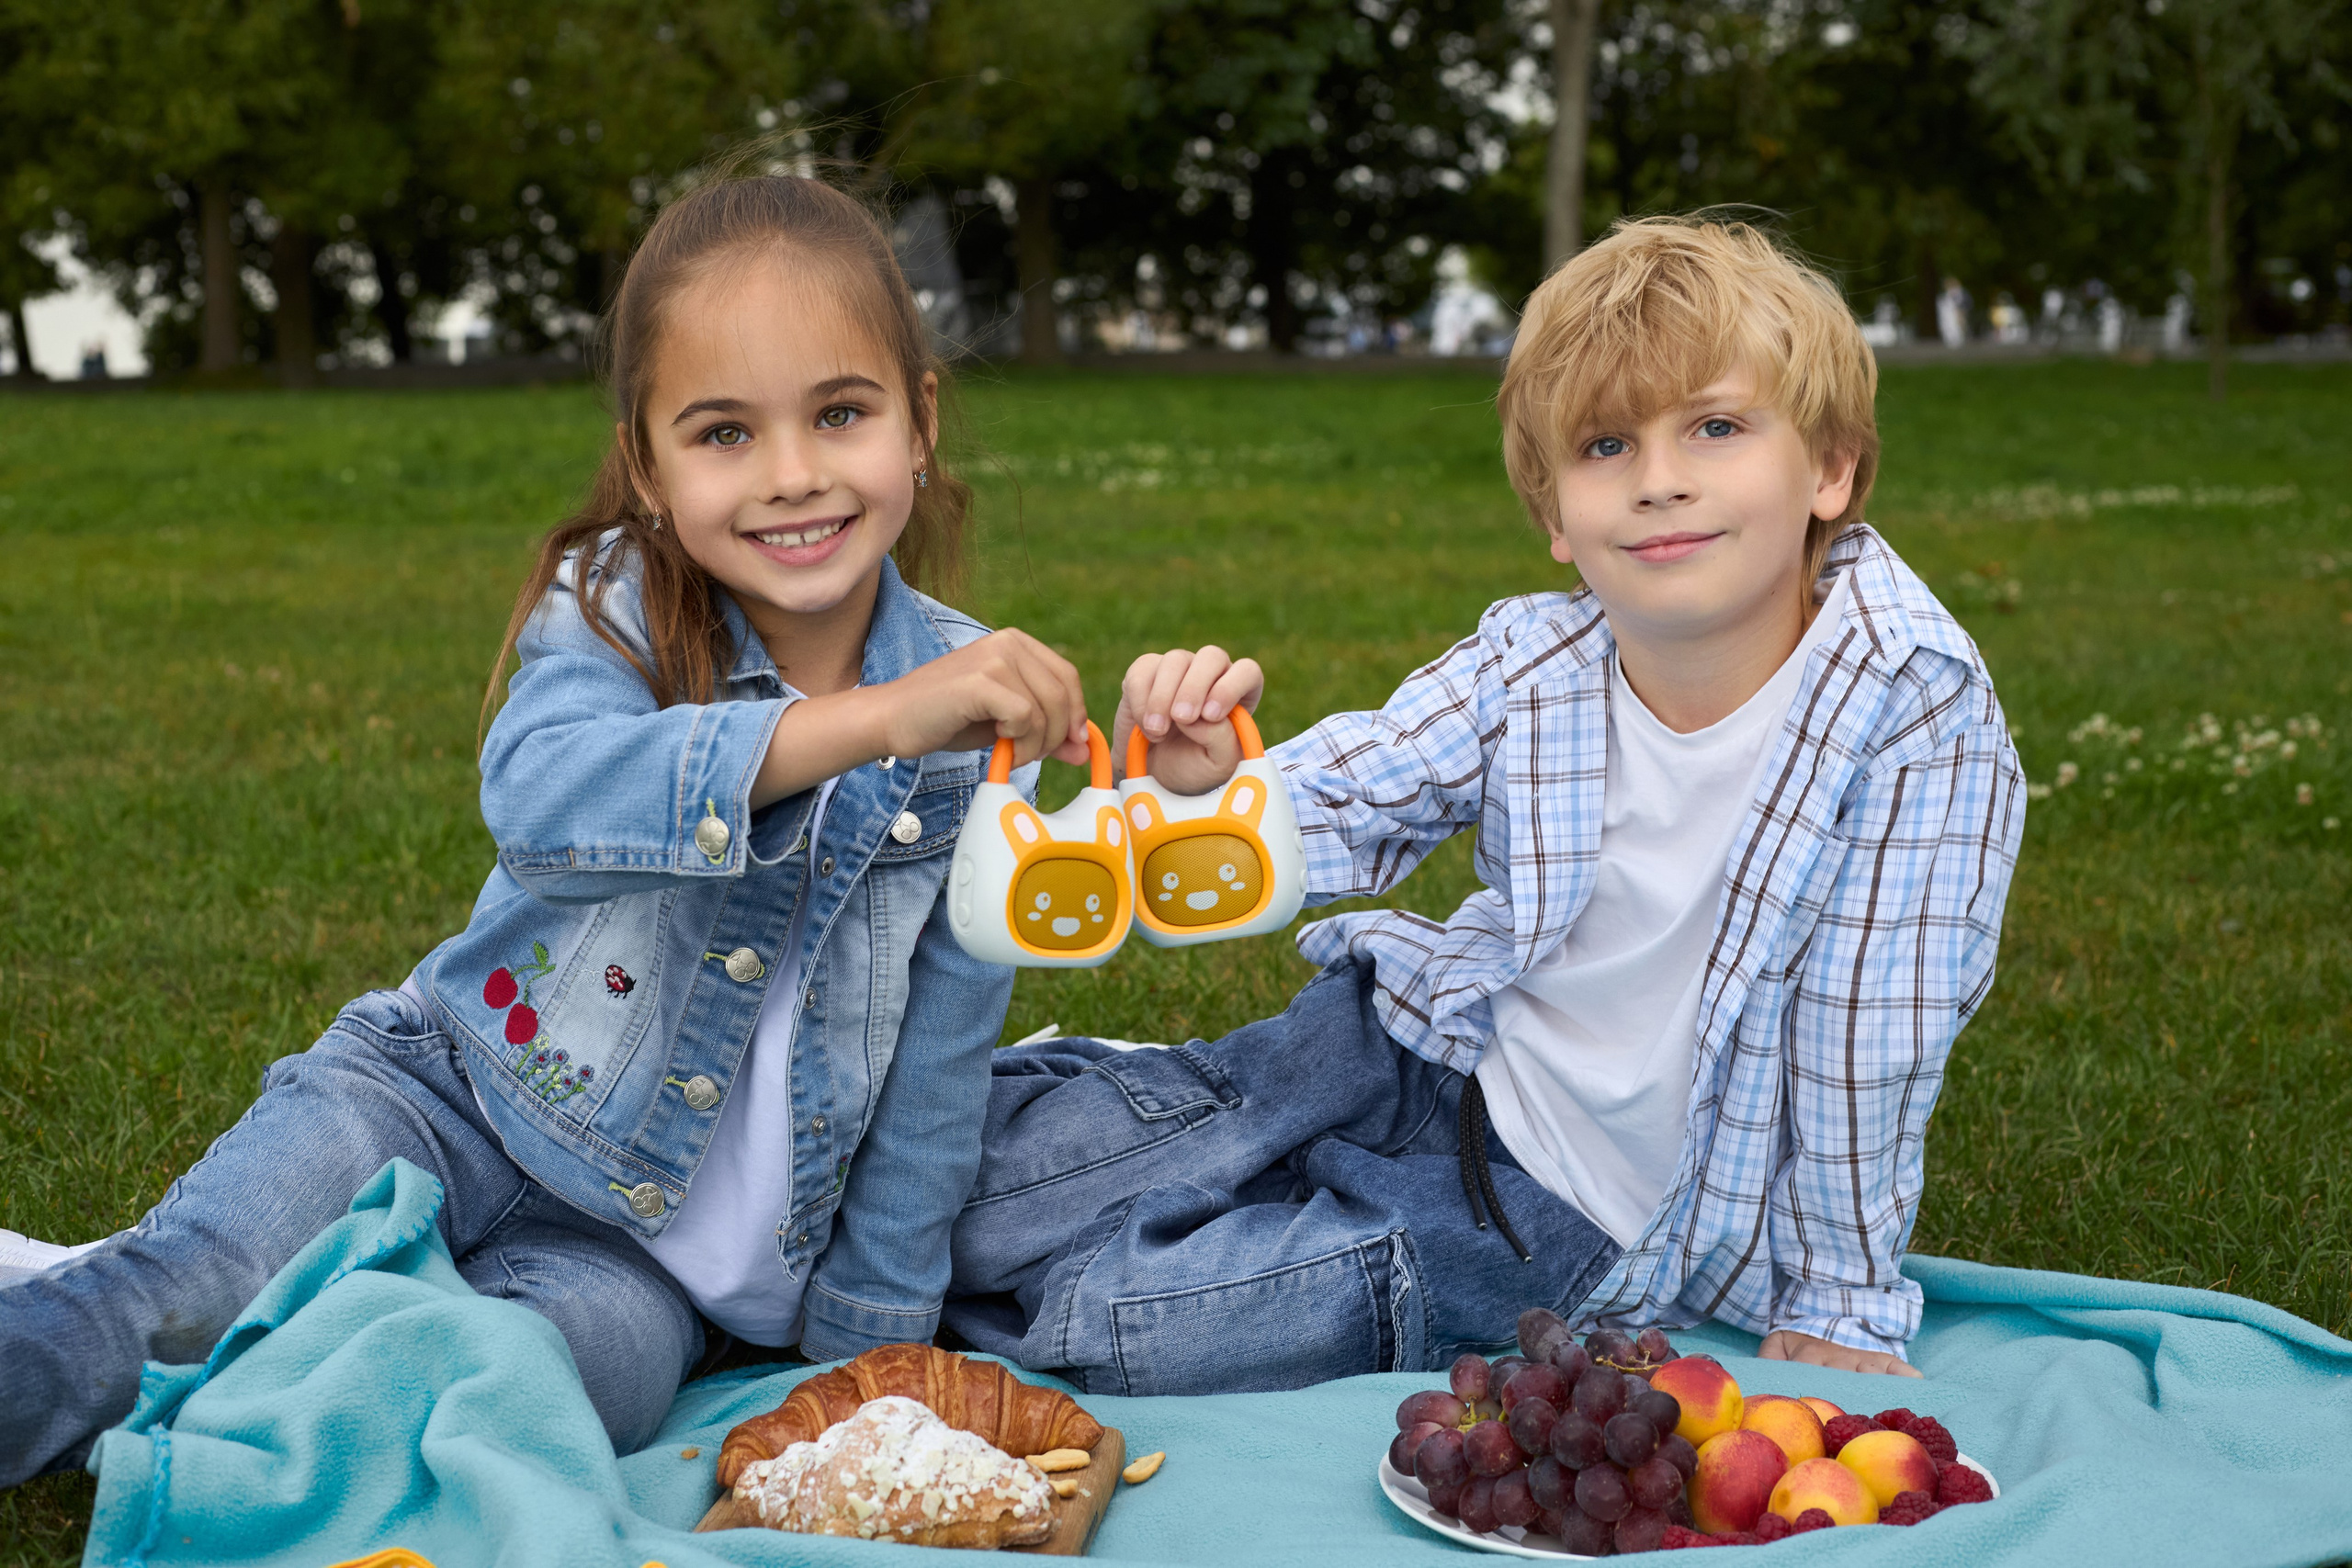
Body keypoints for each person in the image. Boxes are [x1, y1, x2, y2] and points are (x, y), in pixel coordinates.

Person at [0, 173, 1096, 1487]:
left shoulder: (968, 712)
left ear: (918, 423)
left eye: (841, 413)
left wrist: (866, 1363)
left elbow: (938, 1067)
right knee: (173, 1297)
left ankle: (272, 1397)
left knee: (528, 1391)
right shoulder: (617, 600)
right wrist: (869, 720)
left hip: (641, 1266)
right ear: (646, 459)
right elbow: (545, 797)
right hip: (439, 1092)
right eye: (724, 433)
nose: (793, 474)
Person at [944, 217, 2026, 1393]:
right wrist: (1216, 784)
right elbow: (1362, 786)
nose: (1661, 479)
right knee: (962, 1193)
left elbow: (1870, 1033)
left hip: (1553, 1221)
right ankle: (1110, 1123)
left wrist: (1841, 1301)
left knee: (1131, 1329)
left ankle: (1087, 1218)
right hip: (1407, 1050)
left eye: (1715, 428)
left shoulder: (1909, 712)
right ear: (1556, 515)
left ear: (1829, 469)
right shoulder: (1534, 661)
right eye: (1608, 445)